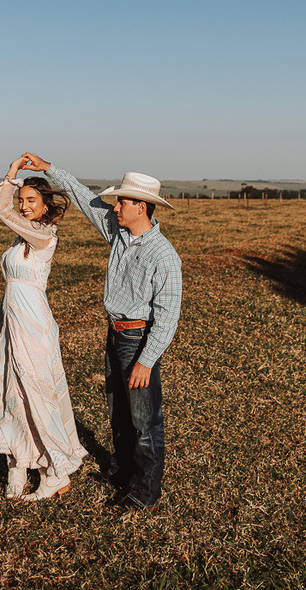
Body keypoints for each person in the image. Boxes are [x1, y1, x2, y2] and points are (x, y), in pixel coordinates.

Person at [20, 153, 182, 512]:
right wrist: (48, 169)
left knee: (144, 419)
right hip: (115, 335)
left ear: (141, 207)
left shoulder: (164, 255)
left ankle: (144, 493)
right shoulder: (117, 231)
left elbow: (168, 317)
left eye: (122, 201)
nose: (116, 205)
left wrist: (146, 361)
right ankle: (123, 471)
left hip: (139, 341)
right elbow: (81, 196)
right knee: (119, 412)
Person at [0, 156, 88, 501]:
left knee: (37, 396)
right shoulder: (19, 243)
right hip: (12, 324)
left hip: (34, 326)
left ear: (45, 207)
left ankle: (54, 472)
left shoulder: (44, 236)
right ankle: (17, 463)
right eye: (22, 201)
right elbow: (11, 289)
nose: (24, 206)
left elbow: (2, 211)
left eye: (31, 201)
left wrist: (12, 174)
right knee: (11, 394)